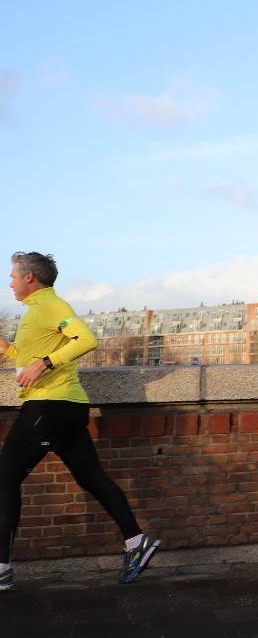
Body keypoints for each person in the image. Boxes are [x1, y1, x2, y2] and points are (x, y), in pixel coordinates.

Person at [0, 252, 158, 591]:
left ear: (29, 277)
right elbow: (31, 357)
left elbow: (86, 339)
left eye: (13, 276)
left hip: (48, 407)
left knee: (4, 479)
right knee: (92, 478)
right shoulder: (36, 312)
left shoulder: (50, 304)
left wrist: (43, 363)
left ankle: (1, 568)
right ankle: (137, 541)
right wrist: (8, 351)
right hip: (66, 407)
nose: (9, 282)